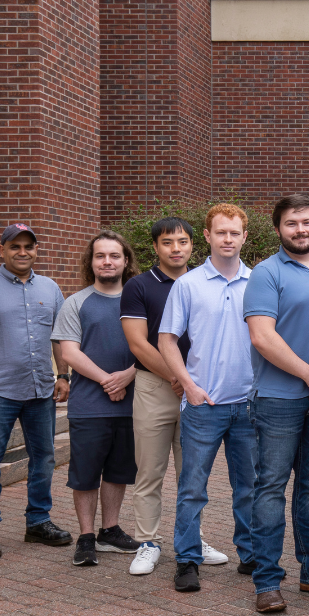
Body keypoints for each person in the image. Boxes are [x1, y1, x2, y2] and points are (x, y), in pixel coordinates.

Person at [245, 195, 309, 613]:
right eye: (291, 224)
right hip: (277, 400)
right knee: (270, 487)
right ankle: (267, 581)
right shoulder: (266, 274)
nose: (300, 230)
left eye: (307, 222)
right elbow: (261, 336)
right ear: (278, 229)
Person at [120, 218, 228, 575]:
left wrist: (190, 382)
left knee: (192, 473)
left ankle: (192, 537)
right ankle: (148, 541)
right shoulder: (138, 286)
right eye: (168, 242)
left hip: (199, 390)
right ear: (155, 247)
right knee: (150, 470)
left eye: (183, 241)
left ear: (193, 245)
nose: (176, 248)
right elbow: (138, 342)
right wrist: (175, 377)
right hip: (155, 387)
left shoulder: (205, 281)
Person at [159, 204, 259, 592]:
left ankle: (249, 554)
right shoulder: (188, 284)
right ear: (208, 236)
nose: (228, 239)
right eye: (221, 233)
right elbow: (166, 339)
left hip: (249, 404)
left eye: (234, 233)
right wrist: (187, 384)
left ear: (245, 237)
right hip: (203, 404)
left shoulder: (259, 282)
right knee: (192, 487)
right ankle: (187, 559)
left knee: (248, 486)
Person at [0, 223, 73, 559]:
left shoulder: (51, 288)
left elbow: (59, 337)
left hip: (41, 391)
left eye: (29, 246)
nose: (22, 252)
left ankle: (38, 522)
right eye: (15, 247)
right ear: (3, 250)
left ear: (36, 250)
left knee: (44, 460)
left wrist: (64, 375)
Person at [52, 231, 142, 566]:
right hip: (89, 406)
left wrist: (129, 374)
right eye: (100, 256)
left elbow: (154, 345)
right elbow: (69, 353)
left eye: (114, 256)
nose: (107, 262)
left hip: (133, 405)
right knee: (86, 473)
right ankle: (86, 536)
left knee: (119, 472)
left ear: (126, 260)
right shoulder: (76, 302)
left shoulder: (138, 300)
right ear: (91, 262)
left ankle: (110, 530)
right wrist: (108, 379)